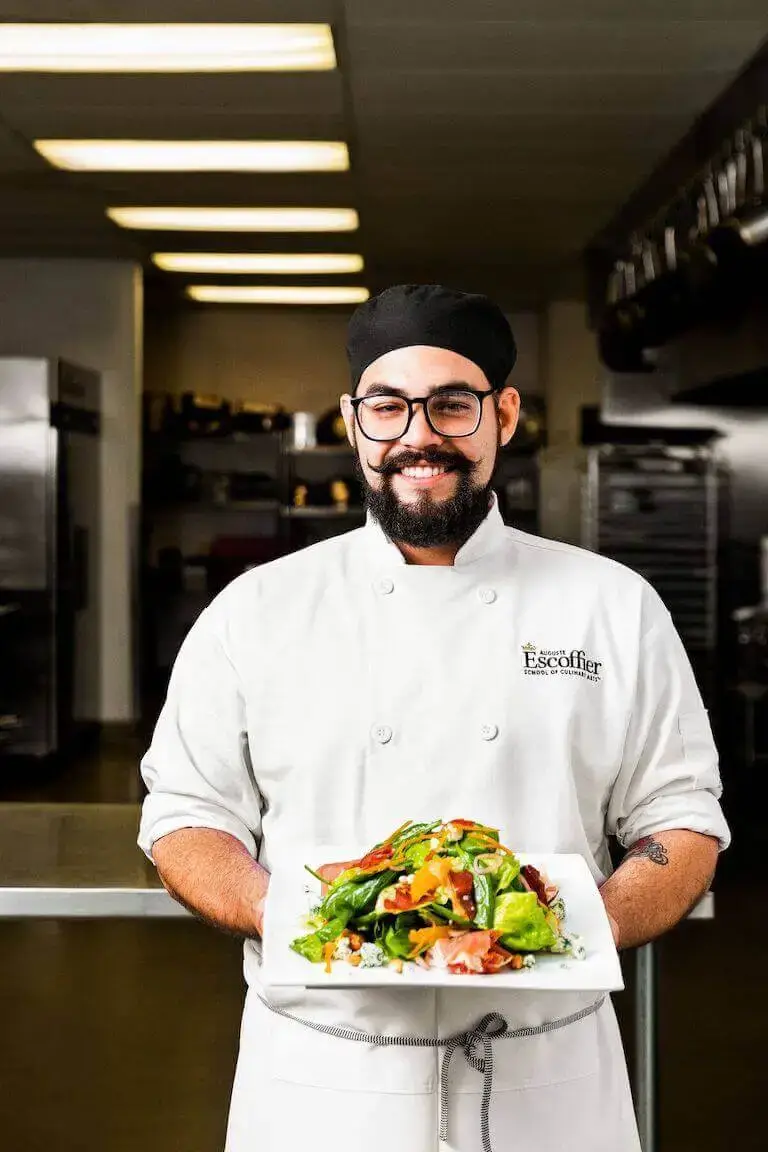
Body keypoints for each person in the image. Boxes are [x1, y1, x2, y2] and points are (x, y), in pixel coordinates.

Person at [138, 284, 729, 1152]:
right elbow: (187, 816)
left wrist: (574, 925)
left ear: (504, 415)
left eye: (454, 405)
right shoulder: (257, 610)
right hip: (324, 1076)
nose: (420, 436)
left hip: (546, 1075)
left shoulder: (613, 606)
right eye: (388, 407)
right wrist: (303, 918)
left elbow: (682, 818)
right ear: (352, 422)